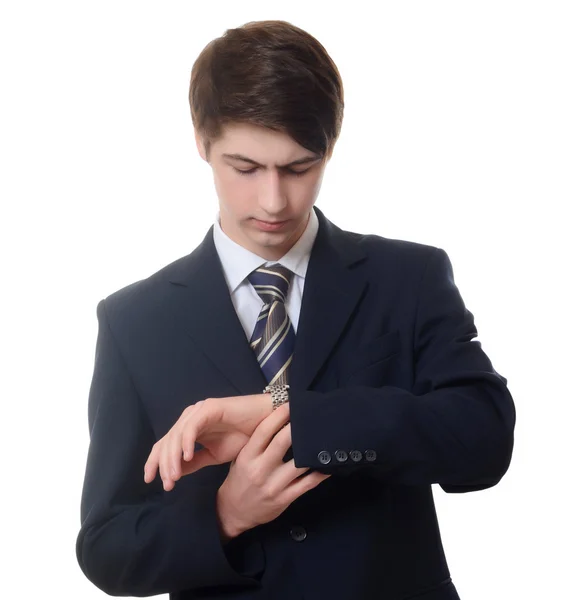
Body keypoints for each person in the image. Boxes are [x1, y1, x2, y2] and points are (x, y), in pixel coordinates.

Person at [76, 19, 516, 600]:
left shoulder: (408, 277)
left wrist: (295, 417)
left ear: (330, 147)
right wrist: (225, 515)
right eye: (245, 167)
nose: (273, 200)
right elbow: (106, 547)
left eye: (299, 167)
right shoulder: (135, 320)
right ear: (202, 143)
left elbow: (483, 441)